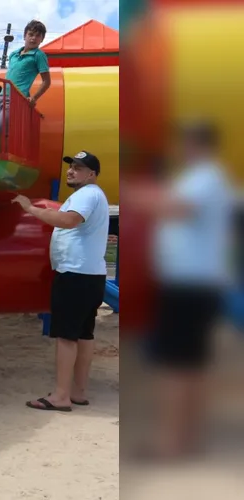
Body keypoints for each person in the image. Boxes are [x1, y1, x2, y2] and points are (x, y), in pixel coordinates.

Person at [128, 121, 234, 459]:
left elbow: (175, 208)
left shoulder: (204, 178)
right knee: (191, 364)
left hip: (188, 285)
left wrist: (134, 193)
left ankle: (171, 444)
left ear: (193, 144)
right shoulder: (206, 178)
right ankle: (188, 438)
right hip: (195, 283)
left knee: (176, 366)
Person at [12, 151, 109, 412]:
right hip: (90, 274)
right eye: (71, 167)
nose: (71, 171)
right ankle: (78, 391)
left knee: (66, 336)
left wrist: (30, 209)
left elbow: (68, 220)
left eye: (79, 168)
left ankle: (61, 396)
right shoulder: (90, 195)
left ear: (92, 174)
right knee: (84, 334)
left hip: (75, 274)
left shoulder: (88, 194)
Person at [0, 19, 51, 153]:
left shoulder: (39, 55)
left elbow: (46, 81)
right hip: (2, 97)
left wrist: (34, 98)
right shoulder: (14, 54)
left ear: (42, 39)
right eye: (31, 34)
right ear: (25, 35)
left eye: (38, 36)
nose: (34, 38)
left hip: (17, 99)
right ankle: (1, 162)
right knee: (2, 134)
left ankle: (0, 163)